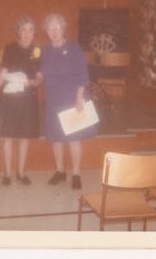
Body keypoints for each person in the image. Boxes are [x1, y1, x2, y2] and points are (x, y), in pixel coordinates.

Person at [0, 15, 42, 186]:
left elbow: (39, 78)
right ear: (18, 32)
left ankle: (21, 173)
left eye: (30, 30)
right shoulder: (10, 49)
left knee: (24, 138)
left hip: (27, 98)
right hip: (9, 98)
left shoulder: (38, 51)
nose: (27, 33)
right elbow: (3, 74)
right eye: (23, 30)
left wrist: (31, 82)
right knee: (7, 137)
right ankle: (7, 173)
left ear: (34, 32)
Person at [38, 13, 97, 190]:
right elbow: (40, 74)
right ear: (46, 31)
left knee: (74, 138)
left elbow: (82, 74)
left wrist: (79, 97)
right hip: (53, 99)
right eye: (51, 28)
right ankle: (60, 171)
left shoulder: (74, 47)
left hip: (72, 98)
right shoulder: (44, 51)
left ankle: (76, 173)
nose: (55, 31)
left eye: (58, 27)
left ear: (64, 29)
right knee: (56, 139)